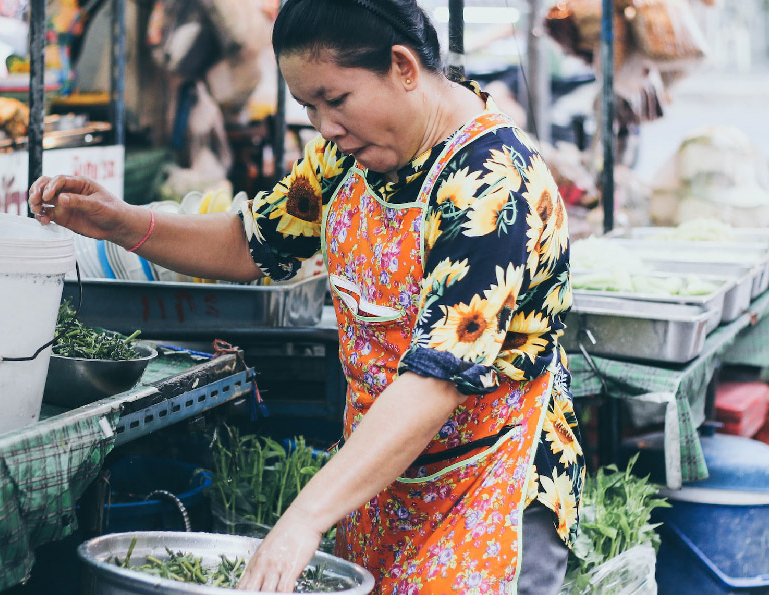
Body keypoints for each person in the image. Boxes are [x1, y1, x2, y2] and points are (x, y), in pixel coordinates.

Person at [28, 0, 585, 592]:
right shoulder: (348, 158)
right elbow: (255, 242)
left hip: (486, 488)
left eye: (336, 100)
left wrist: (304, 518)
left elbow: (436, 379)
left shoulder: (492, 181)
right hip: (380, 482)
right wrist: (123, 224)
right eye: (308, 107)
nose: (325, 127)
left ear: (401, 66)